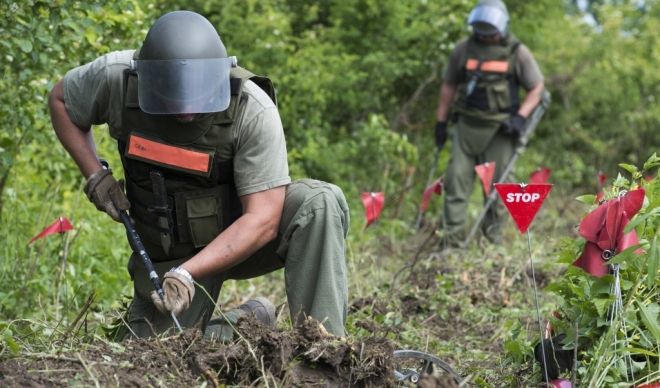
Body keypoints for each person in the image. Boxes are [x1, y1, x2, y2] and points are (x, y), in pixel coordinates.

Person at [48, 10, 350, 340]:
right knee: (150, 358)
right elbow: (62, 99)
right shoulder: (119, 79)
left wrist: (187, 273)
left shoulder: (252, 107)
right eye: (173, 95)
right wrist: (96, 177)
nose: (186, 110)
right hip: (170, 252)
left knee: (319, 203)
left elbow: (264, 219)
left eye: (198, 94)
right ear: (148, 78)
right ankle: (245, 323)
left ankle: (324, 352)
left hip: (241, 239)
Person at [434, 0, 544, 245]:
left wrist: (520, 117)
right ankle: (451, 243)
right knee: (455, 182)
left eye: (491, 33)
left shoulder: (518, 52)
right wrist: (440, 123)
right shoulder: (463, 49)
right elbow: (449, 85)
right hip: (465, 128)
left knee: (499, 189)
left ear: (502, 27)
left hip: (500, 132)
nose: (486, 38)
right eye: (482, 32)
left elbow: (537, 88)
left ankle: (492, 242)